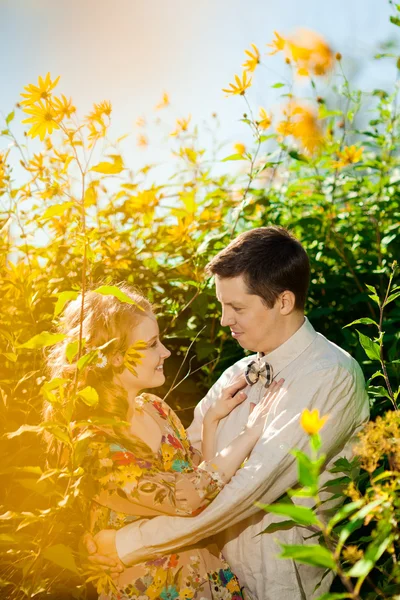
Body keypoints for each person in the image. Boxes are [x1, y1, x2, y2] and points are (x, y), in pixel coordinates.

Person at [85, 226, 370, 600]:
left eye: (236, 307)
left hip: (280, 580)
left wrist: (125, 543)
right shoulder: (236, 375)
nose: (223, 320)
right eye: (222, 305)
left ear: (283, 302)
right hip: (208, 577)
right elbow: (183, 470)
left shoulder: (329, 375)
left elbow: (250, 488)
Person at [46, 283, 284, 600]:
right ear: (115, 358)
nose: (165, 352)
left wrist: (212, 421)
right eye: (151, 344)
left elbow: (202, 479)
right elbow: (186, 499)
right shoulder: (92, 441)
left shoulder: (156, 409)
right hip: (150, 590)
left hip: (206, 579)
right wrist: (252, 432)